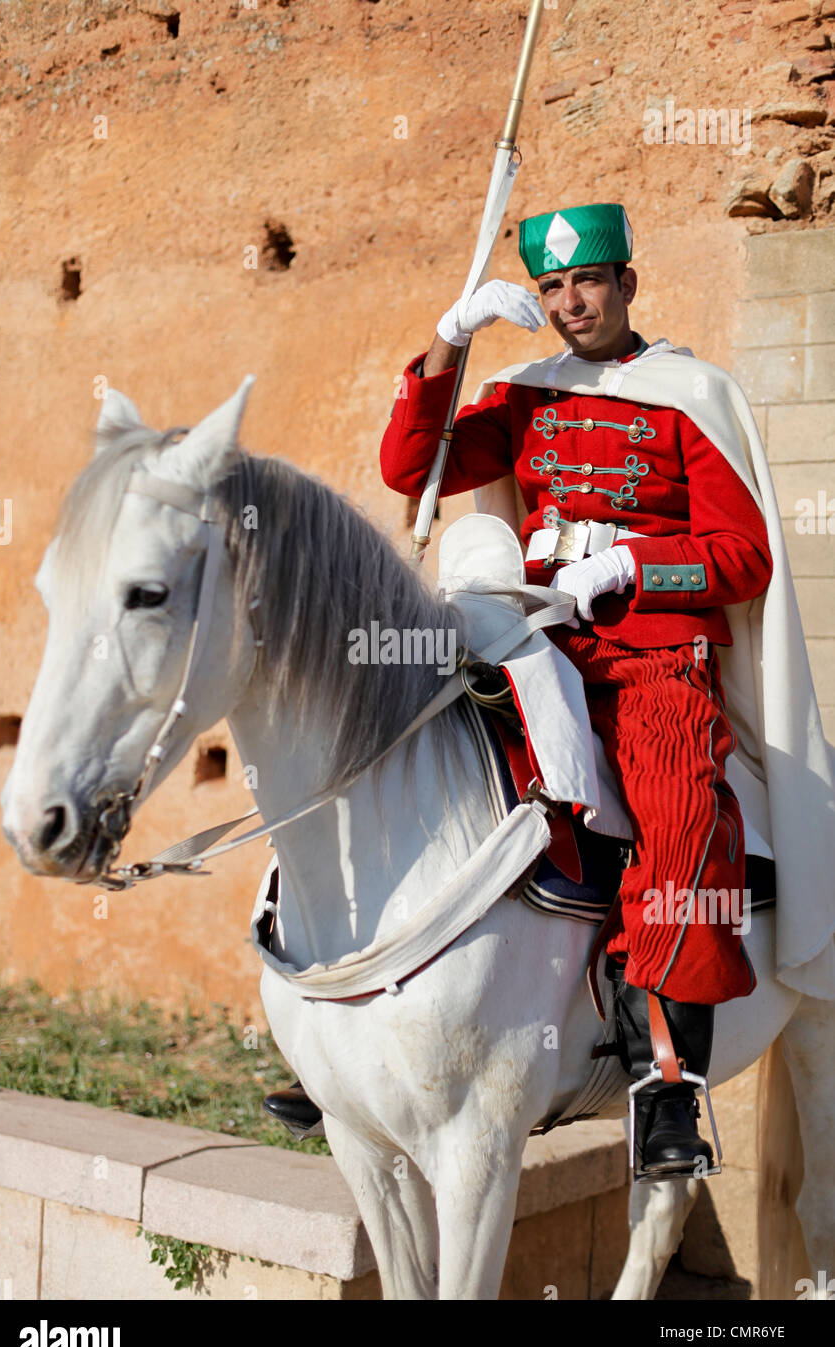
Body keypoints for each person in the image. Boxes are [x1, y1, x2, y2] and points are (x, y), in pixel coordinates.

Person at [266, 203, 775, 1178]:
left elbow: (741, 553)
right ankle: (348, 1022)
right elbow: (407, 467)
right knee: (392, 732)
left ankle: (664, 1076)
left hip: (653, 651)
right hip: (530, 624)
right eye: (550, 287)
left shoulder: (688, 395)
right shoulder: (519, 396)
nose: (569, 302)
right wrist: (445, 340)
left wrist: (633, 567)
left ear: (627, 281)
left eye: (586, 282)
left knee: (673, 808)